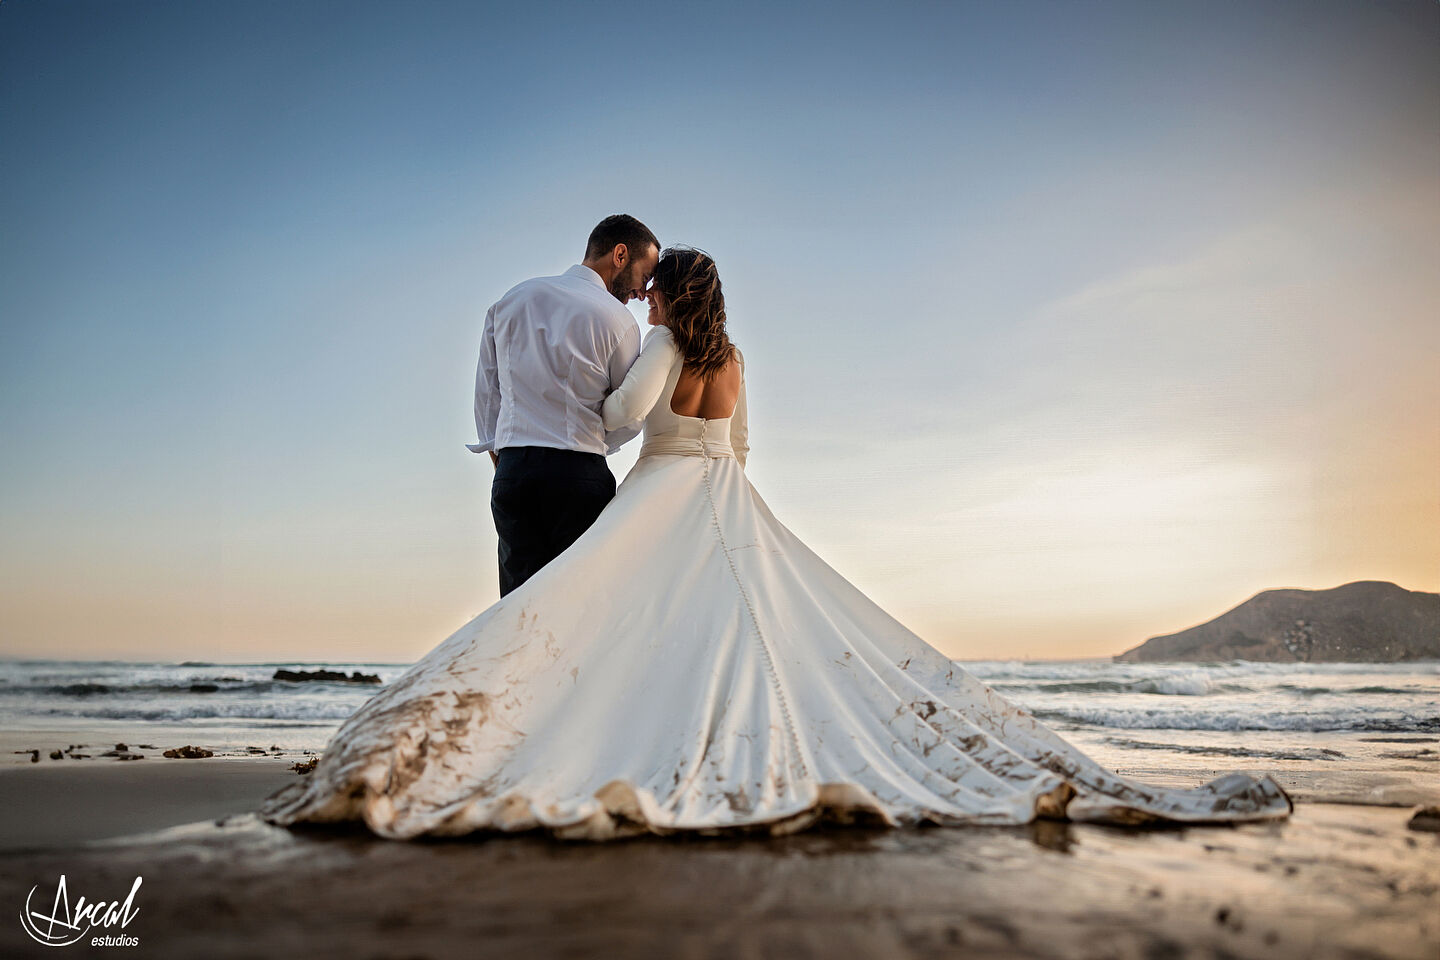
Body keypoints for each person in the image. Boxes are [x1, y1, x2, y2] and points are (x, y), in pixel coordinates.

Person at [261, 247, 1291, 840]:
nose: (647, 297)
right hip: (726, 493)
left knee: (616, 620)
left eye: (655, 290)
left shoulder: (661, 344)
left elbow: (624, 418)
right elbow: (742, 448)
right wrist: (717, 477)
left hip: (665, 486)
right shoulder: (737, 355)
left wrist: (580, 405)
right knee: (748, 633)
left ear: (669, 298)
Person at [466, 214, 659, 597]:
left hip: (514, 474)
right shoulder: (619, 321)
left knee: (517, 611)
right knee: (576, 608)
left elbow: (488, 395)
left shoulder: (511, 300)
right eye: (645, 274)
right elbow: (626, 414)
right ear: (620, 254)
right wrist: (589, 447)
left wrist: (504, 460)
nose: (643, 291)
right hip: (577, 476)